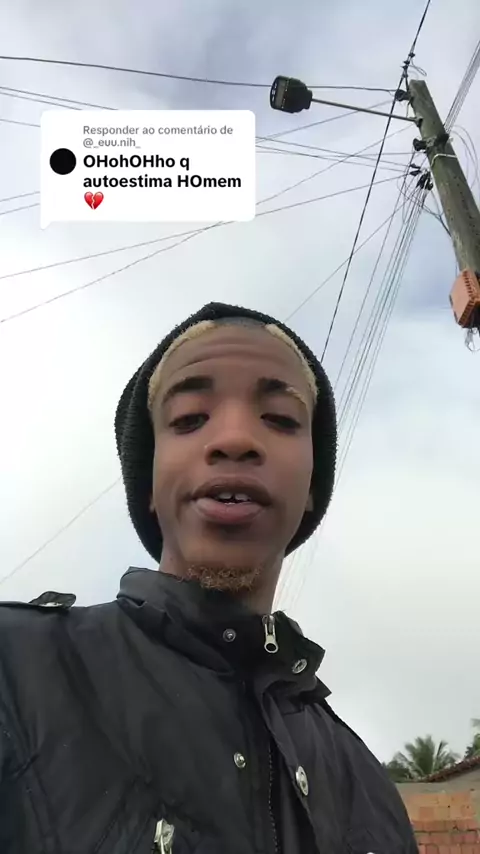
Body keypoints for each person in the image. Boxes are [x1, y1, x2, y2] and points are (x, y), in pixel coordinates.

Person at [0, 301, 417, 853]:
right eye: (189, 418)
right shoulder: (14, 670)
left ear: (312, 487)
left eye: (281, 419)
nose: (235, 438)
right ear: (149, 483)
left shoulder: (366, 785)